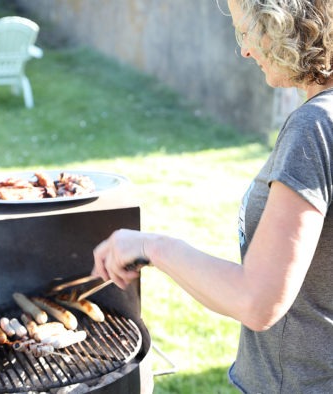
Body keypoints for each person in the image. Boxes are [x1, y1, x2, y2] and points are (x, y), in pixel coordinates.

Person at [92, 0, 333, 392]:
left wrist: (152, 246)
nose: (245, 49)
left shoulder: (315, 127)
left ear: (287, 24)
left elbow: (256, 301)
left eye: (248, 30)